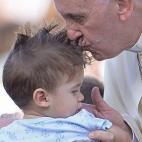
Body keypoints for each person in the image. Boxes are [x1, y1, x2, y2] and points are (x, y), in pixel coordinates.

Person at [0, 26, 114, 142]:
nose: (81, 97)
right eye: (74, 91)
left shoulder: (5, 135)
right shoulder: (83, 122)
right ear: (43, 98)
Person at [53, 0, 142, 141]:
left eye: (78, 18)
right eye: (65, 19)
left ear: (123, 5)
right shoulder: (118, 48)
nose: (70, 35)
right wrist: (128, 134)